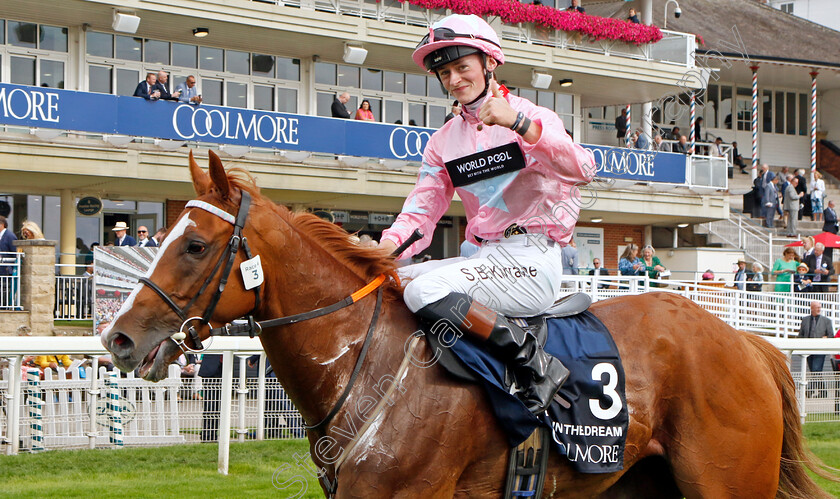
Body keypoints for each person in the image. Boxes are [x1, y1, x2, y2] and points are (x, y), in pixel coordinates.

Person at [377, 14, 595, 414]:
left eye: (462, 67)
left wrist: (520, 124)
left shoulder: (531, 115)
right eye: (445, 72)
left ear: (489, 62)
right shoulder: (443, 142)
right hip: (483, 258)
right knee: (392, 282)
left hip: (531, 260)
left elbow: (583, 169)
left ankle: (537, 364)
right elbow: (421, 211)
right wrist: (384, 249)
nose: (454, 79)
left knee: (423, 291)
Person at [799, 301, 833, 397]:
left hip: (819, 350)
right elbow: (801, 335)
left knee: (816, 369)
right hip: (808, 349)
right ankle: (823, 392)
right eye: (817, 307)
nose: (818, 309)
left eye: (819, 307)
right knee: (815, 371)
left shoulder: (826, 321)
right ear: (812, 308)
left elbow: (831, 335)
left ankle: (810, 389)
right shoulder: (805, 320)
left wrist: (826, 338)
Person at [198, 354, 222, 441]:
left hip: (225, 368)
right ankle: (207, 434)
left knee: (219, 405)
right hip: (210, 369)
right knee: (210, 404)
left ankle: (213, 433)